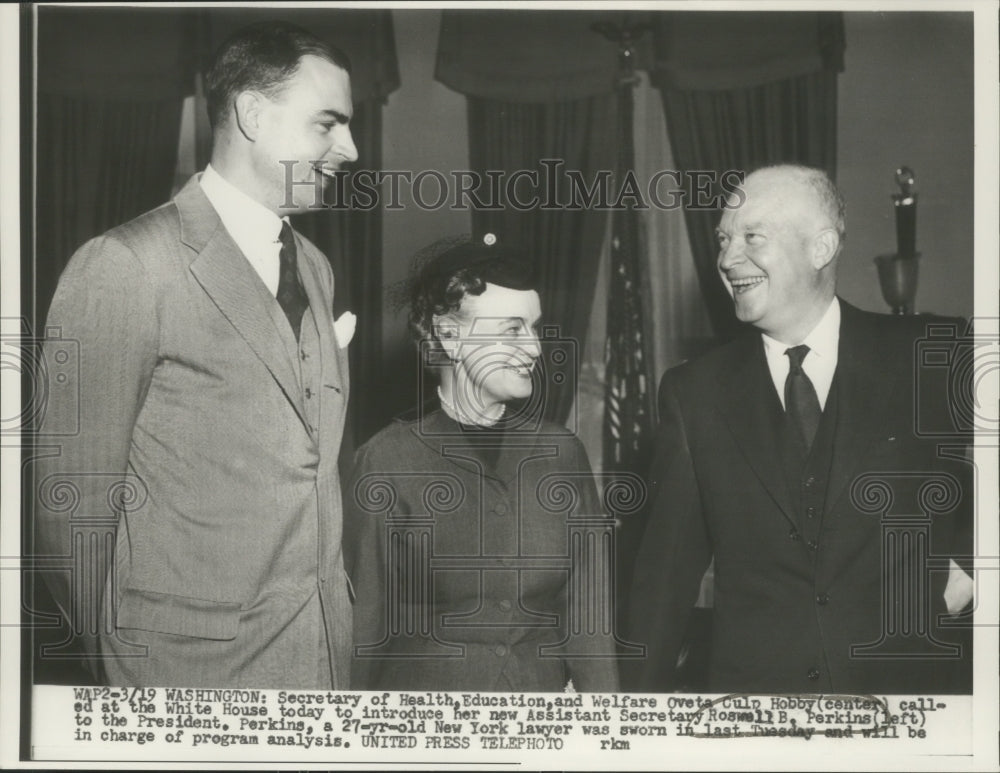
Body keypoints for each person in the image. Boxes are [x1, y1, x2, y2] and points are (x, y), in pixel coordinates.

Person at [35, 21, 359, 688]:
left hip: (320, 664)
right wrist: (126, 665)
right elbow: (71, 510)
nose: (350, 149)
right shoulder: (126, 264)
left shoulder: (317, 269)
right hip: (183, 677)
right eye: (328, 124)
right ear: (251, 113)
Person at [626, 164, 973, 694]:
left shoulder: (933, 354)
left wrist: (969, 581)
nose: (725, 258)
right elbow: (664, 581)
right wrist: (628, 725)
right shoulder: (693, 392)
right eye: (722, 239)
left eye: (751, 237)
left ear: (821, 248)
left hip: (912, 701)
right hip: (756, 714)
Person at [345, 235, 620, 692]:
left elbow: (589, 621)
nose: (533, 348)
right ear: (449, 336)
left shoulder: (562, 455)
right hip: (427, 737)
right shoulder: (386, 461)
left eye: (534, 328)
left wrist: (607, 732)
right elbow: (364, 631)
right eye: (513, 329)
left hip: (541, 729)